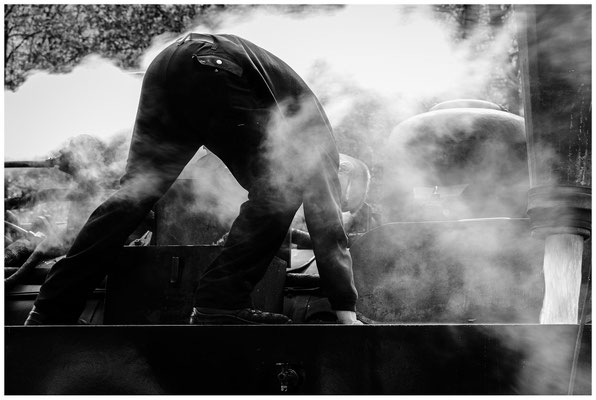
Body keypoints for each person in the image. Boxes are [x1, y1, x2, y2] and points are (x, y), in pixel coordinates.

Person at [25, 33, 360, 325]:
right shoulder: (320, 148)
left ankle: (51, 309)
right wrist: (345, 307)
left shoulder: (292, 113)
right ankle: (221, 303)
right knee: (280, 190)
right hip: (212, 68)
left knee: (134, 196)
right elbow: (329, 228)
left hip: (167, 66)